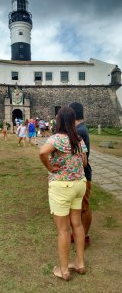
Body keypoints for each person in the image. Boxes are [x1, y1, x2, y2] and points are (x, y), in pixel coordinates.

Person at [40, 106, 87, 281]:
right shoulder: (78, 138)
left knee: (63, 229)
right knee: (78, 224)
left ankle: (64, 270)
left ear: (59, 120)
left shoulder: (57, 138)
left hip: (62, 186)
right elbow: (84, 162)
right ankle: (80, 264)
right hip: (79, 184)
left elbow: (43, 152)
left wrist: (51, 167)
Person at [69, 102, 92, 248]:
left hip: (83, 174)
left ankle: (85, 236)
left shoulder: (79, 131)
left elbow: (82, 157)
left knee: (84, 207)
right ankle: (79, 233)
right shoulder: (80, 129)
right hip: (81, 174)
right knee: (79, 207)